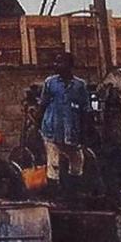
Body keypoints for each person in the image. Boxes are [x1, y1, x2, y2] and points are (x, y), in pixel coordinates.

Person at [39, 52, 90, 199]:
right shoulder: (50, 83)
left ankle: (73, 194)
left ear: (69, 66)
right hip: (52, 129)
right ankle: (54, 196)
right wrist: (37, 125)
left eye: (60, 62)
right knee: (53, 163)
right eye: (56, 62)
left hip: (72, 131)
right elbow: (43, 104)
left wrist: (85, 132)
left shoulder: (80, 86)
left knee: (77, 161)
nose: (56, 65)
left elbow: (85, 110)